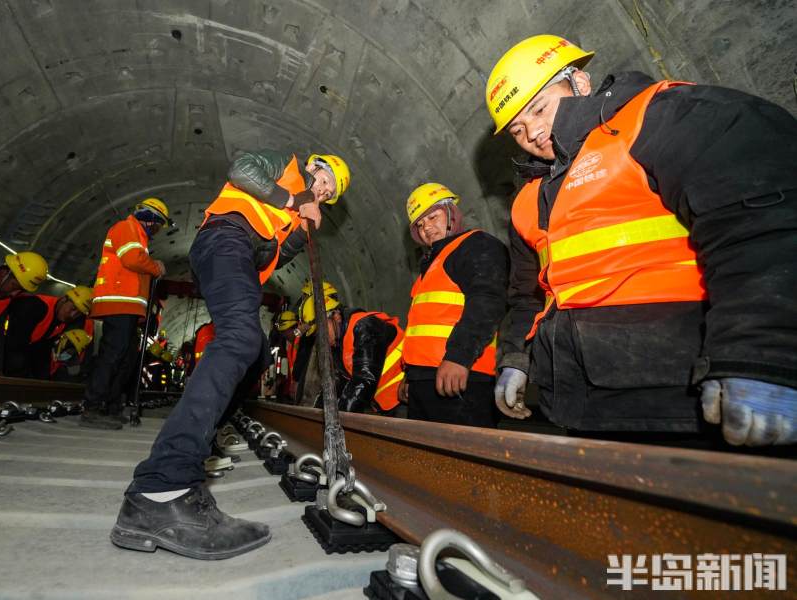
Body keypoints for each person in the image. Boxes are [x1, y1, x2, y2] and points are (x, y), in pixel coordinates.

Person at [487, 35, 797, 446]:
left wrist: (761, 351)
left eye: (540, 109)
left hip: (688, 399)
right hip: (587, 409)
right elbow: (528, 297)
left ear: (579, 82)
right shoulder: (529, 201)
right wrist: (516, 358)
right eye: (518, 129)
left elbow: (760, 215)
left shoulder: (654, 119)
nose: (534, 133)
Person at [112, 150, 350, 560]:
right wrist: (295, 201)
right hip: (224, 239)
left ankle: (191, 452)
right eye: (326, 180)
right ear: (313, 167)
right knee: (241, 339)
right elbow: (242, 170)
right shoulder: (286, 167)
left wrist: (303, 230)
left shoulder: (293, 212)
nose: (324, 191)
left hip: (239, 254)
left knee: (254, 354)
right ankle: (163, 485)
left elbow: (275, 255)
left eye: (330, 193)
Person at [400, 183, 508, 428]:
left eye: (432, 216)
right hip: (426, 380)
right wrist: (411, 375)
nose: (426, 227)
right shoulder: (430, 267)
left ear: (451, 213)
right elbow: (422, 328)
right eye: (419, 224)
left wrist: (459, 357)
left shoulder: (476, 245)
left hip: (461, 377)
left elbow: (487, 302)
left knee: (464, 462)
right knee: (425, 460)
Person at [81, 198, 170, 430]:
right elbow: (132, 260)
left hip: (128, 306)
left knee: (125, 356)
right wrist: (155, 267)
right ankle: (92, 406)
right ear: (151, 219)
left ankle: (110, 404)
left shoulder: (138, 236)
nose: (158, 231)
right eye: (159, 225)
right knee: (112, 355)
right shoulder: (126, 228)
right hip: (117, 302)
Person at [300, 289, 405, 416]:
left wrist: (340, 420)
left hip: (403, 396)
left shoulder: (365, 327)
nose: (321, 338)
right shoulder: (338, 342)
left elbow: (364, 379)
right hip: (386, 403)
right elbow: (338, 382)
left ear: (336, 316)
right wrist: (317, 412)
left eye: (322, 330)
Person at [4, 286, 92, 379]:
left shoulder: (61, 321)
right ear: (64, 299)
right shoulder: (34, 306)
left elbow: (42, 351)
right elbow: (15, 345)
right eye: (73, 308)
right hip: (2, 349)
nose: (72, 315)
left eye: (78, 313)